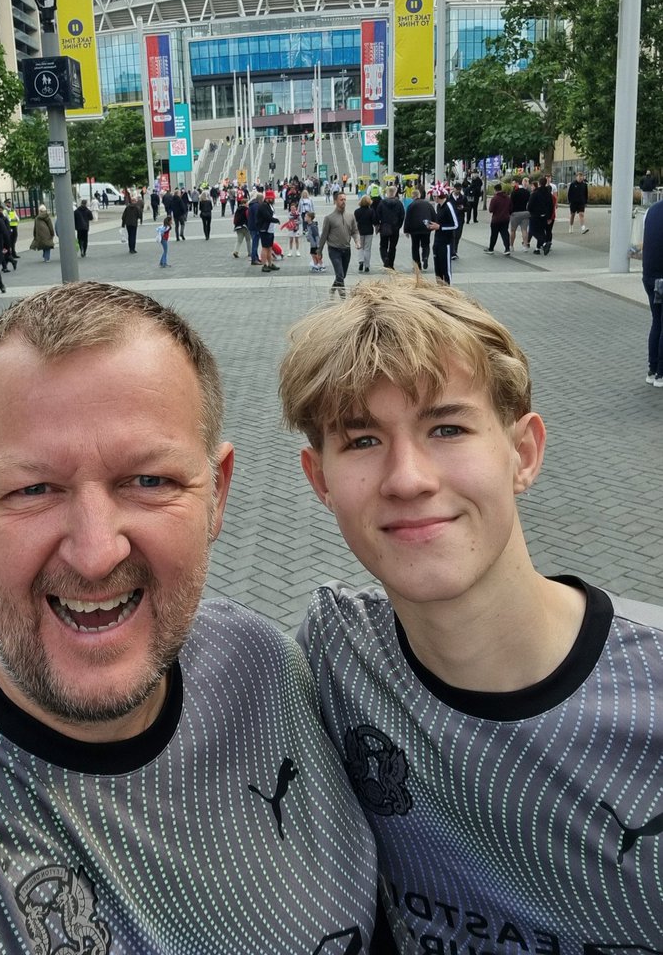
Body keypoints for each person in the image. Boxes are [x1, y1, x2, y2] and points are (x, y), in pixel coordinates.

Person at [0, 282, 379, 952]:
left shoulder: (271, 668)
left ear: (218, 493)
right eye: (34, 489)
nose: (93, 553)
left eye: (150, 481)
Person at [281, 275, 663, 954]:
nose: (408, 478)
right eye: (363, 440)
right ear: (320, 480)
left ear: (524, 453)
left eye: (448, 428)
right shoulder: (335, 655)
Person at [320, 192, 360, 297]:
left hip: (346, 249)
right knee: (340, 274)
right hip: (334, 250)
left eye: (345, 199)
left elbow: (355, 231)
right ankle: (343, 298)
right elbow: (324, 235)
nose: (343, 202)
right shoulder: (329, 218)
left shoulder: (350, 216)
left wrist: (357, 241)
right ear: (335, 201)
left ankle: (334, 288)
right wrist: (319, 251)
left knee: (343, 275)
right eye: (341, 199)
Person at [642, 197, 663, 387]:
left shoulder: (651, 211)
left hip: (649, 276)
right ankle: (661, 374)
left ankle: (652, 368)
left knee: (657, 322)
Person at [427, 187, 458, 283]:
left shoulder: (448, 206)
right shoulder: (438, 207)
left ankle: (449, 288)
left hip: (446, 242)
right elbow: (439, 222)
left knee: (446, 268)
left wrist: (440, 227)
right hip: (437, 240)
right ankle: (439, 287)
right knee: (438, 267)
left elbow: (455, 224)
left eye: (434, 196)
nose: (433, 198)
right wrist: (432, 225)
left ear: (438, 196)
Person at [402, 188, 436, 272]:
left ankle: (417, 265)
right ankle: (425, 257)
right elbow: (434, 215)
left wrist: (406, 230)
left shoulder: (411, 205)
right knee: (426, 245)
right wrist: (433, 225)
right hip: (426, 227)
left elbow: (407, 218)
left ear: (412, 196)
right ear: (419, 195)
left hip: (414, 229)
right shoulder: (427, 204)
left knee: (415, 247)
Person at [374, 185, 404, 270]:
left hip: (384, 226)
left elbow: (377, 214)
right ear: (395, 193)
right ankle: (391, 264)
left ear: (387, 193)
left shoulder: (382, 203)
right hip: (395, 228)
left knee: (383, 245)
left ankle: (385, 258)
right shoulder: (399, 203)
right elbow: (402, 215)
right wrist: (399, 225)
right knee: (393, 247)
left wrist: (378, 224)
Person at [528, 175, 554, 256]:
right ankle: (537, 249)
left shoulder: (535, 193)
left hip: (535, 215)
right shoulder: (548, 193)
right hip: (545, 215)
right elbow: (551, 205)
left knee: (533, 230)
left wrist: (531, 212)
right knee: (542, 231)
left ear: (539, 183)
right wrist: (549, 216)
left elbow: (530, 206)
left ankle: (544, 244)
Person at [485, 181, 512, 254]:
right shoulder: (508, 198)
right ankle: (507, 248)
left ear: (495, 190)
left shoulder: (495, 199)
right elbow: (510, 208)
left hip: (496, 219)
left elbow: (491, 210)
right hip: (505, 218)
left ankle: (491, 249)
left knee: (494, 235)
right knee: (505, 233)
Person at [255, 191, 279, 274]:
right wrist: (276, 220)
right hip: (264, 229)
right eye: (272, 198)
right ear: (268, 198)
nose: (273, 199)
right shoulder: (263, 206)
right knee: (265, 248)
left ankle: (270, 263)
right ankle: (264, 265)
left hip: (270, 229)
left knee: (270, 247)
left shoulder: (270, 205)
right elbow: (267, 217)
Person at [354, 195, 376, 274]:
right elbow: (374, 222)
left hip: (360, 231)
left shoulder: (357, 211)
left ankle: (361, 261)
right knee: (367, 249)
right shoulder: (371, 211)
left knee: (360, 247)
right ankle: (367, 266)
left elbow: (355, 222)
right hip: (369, 231)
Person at [508, 177, 531, 251]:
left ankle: (511, 246)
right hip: (525, 212)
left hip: (515, 213)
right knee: (524, 230)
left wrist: (510, 213)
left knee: (512, 231)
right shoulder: (527, 192)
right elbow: (529, 203)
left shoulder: (514, 193)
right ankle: (525, 246)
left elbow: (510, 203)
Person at [1, 200, 19, 268]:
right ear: (5, 203)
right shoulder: (5, 211)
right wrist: (13, 220)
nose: (10, 204)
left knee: (14, 240)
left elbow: (17, 218)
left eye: (10, 203)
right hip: (9, 227)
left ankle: (13, 253)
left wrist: (15, 219)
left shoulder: (12, 210)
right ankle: (10, 255)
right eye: (8, 203)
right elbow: (8, 219)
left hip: (14, 226)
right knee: (9, 241)